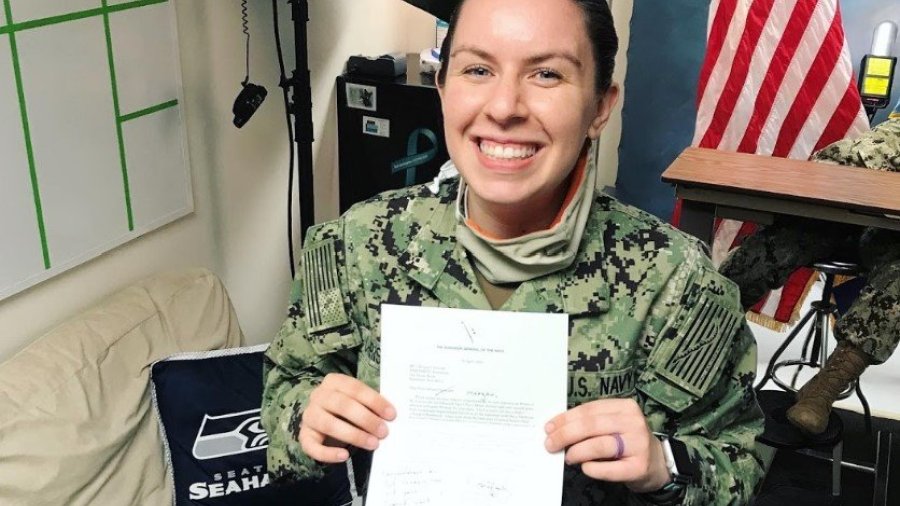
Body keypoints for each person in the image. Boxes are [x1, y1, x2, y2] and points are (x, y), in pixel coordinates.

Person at [262, 0, 766, 504]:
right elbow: (286, 390)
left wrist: (663, 463)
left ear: (600, 107)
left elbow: (737, 461)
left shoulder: (676, 283)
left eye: (547, 74)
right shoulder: (359, 244)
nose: (504, 107)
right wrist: (309, 414)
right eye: (477, 69)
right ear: (443, 89)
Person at [720, 116, 900, 435]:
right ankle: (704, 337)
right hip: (846, 203)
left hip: (891, 234)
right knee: (783, 240)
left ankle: (827, 385)